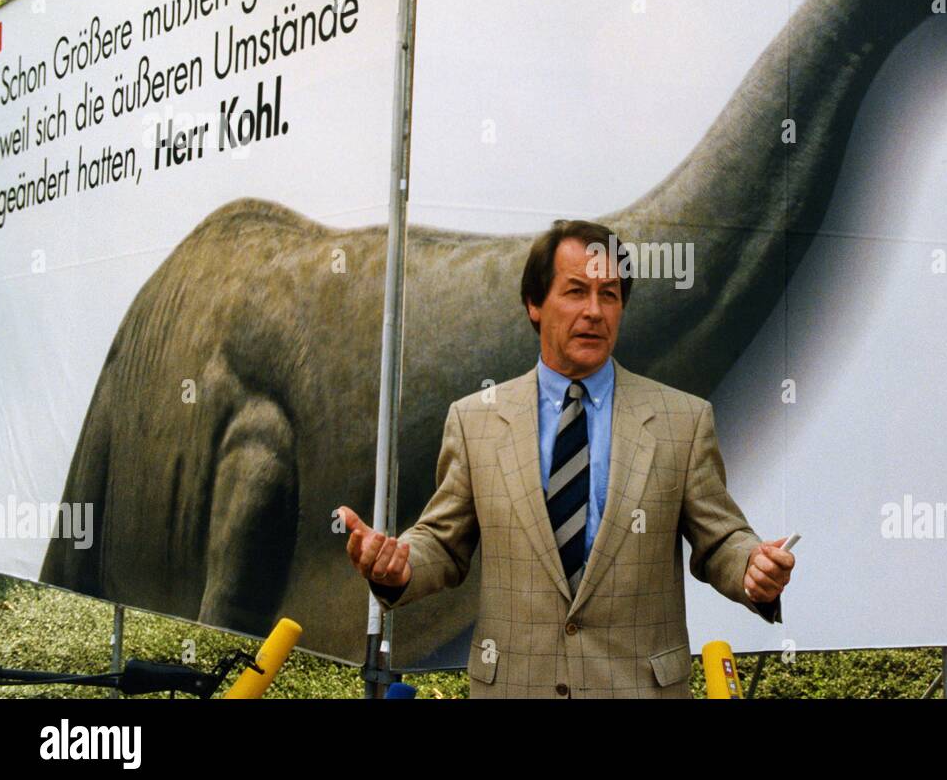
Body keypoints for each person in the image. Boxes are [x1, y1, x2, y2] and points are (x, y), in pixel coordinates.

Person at [338, 218, 795, 698]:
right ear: (534, 305)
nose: (594, 312)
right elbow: (443, 542)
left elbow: (721, 539)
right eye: (576, 292)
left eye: (610, 295)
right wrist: (400, 567)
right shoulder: (476, 420)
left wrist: (751, 568)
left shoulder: (681, 419)